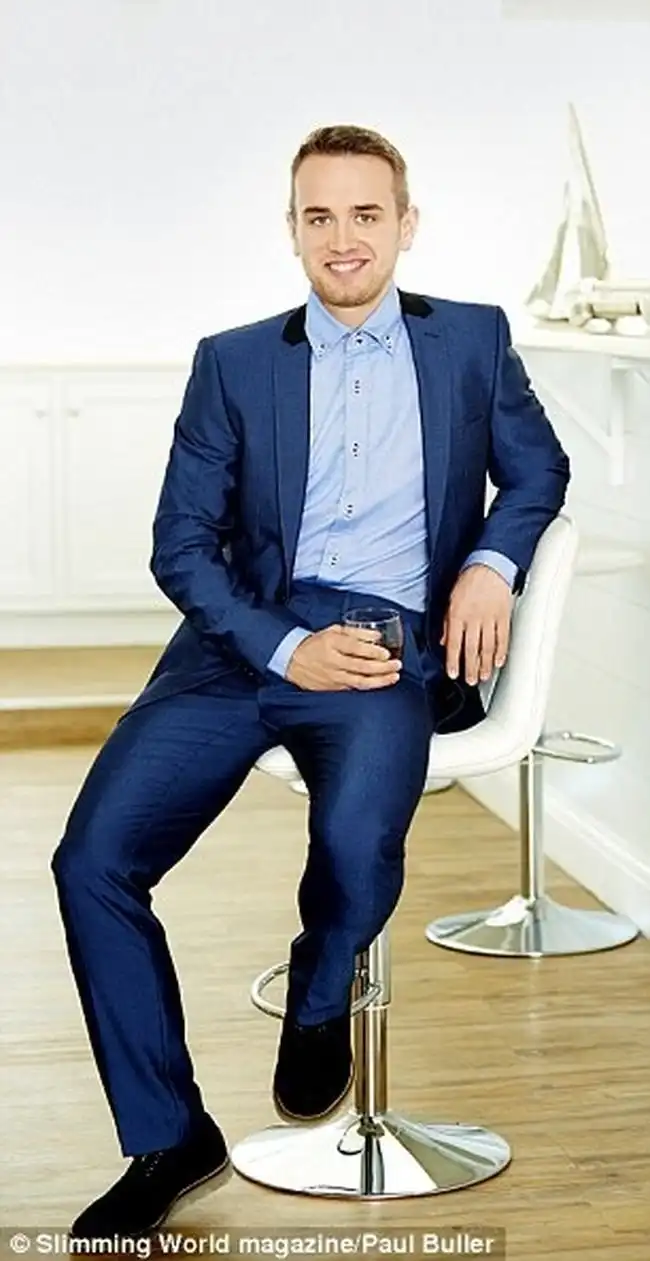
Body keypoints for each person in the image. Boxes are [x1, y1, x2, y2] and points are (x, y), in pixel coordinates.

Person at [51, 123, 570, 1237]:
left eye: (365, 214)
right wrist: (285, 648)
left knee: (351, 838)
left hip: (386, 642)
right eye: (319, 216)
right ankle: (168, 1135)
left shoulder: (473, 341)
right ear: (291, 230)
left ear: (406, 224)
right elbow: (181, 546)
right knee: (91, 861)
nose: (343, 238)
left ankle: (321, 977)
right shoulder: (233, 361)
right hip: (241, 643)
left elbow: (537, 472)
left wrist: (491, 564)